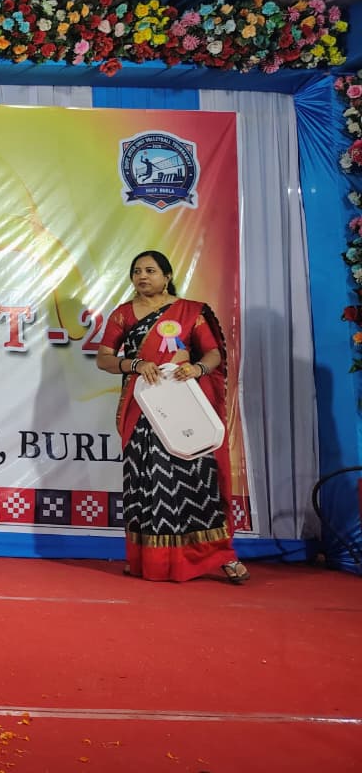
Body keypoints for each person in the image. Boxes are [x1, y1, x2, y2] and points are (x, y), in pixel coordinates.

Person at [95, 250, 250, 585]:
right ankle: (149, 560)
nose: (142, 276)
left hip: (185, 408)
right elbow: (104, 358)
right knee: (147, 483)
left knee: (198, 481)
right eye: (137, 271)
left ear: (167, 276)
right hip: (143, 409)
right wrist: (134, 364)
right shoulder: (123, 314)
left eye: (150, 270)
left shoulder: (190, 311)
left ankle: (220, 555)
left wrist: (197, 368)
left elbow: (213, 353)